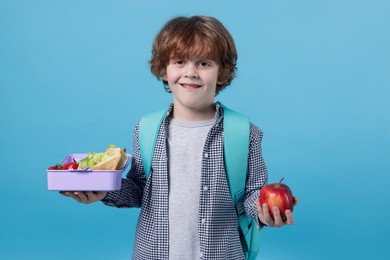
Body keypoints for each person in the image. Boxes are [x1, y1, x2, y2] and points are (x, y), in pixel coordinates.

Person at [61, 15, 297, 260]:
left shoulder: (244, 132)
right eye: (179, 61)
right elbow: (140, 189)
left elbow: (252, 194)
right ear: (164, 69)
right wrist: (104, 190)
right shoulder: (147, 128)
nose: (190, 72)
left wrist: (264, 212)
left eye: (204, 63)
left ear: (222, 72)